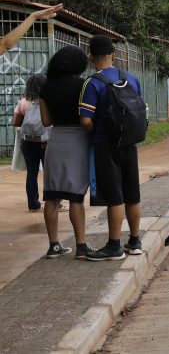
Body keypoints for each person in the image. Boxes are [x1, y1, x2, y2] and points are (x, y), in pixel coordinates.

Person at [80, 35, 142, 261]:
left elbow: (86, 120)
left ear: (91, 57)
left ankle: (114, 245)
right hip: (129, 143)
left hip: (105, 145)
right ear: (113, 55)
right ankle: (135, 241)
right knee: (132, 194)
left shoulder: (92, 83)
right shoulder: (132, 79)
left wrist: (95, 132)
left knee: (114, 195)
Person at [38, 45, 95, 258]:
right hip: (78, 141)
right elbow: (88, 117)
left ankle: (54, 246)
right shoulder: (84, 86)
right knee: (75, 196)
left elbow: (46, 121)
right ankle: (81, 246)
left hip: (55, 142)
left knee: (52, 196)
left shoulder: (46, 88)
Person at [13, 74, 49, 212]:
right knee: (49, 172)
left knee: (32, 173)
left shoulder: (23, 102)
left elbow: (15, 122)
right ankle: (52, 202)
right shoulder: (48, 101)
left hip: (27, 141)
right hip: (45, 141)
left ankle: (33, 204)